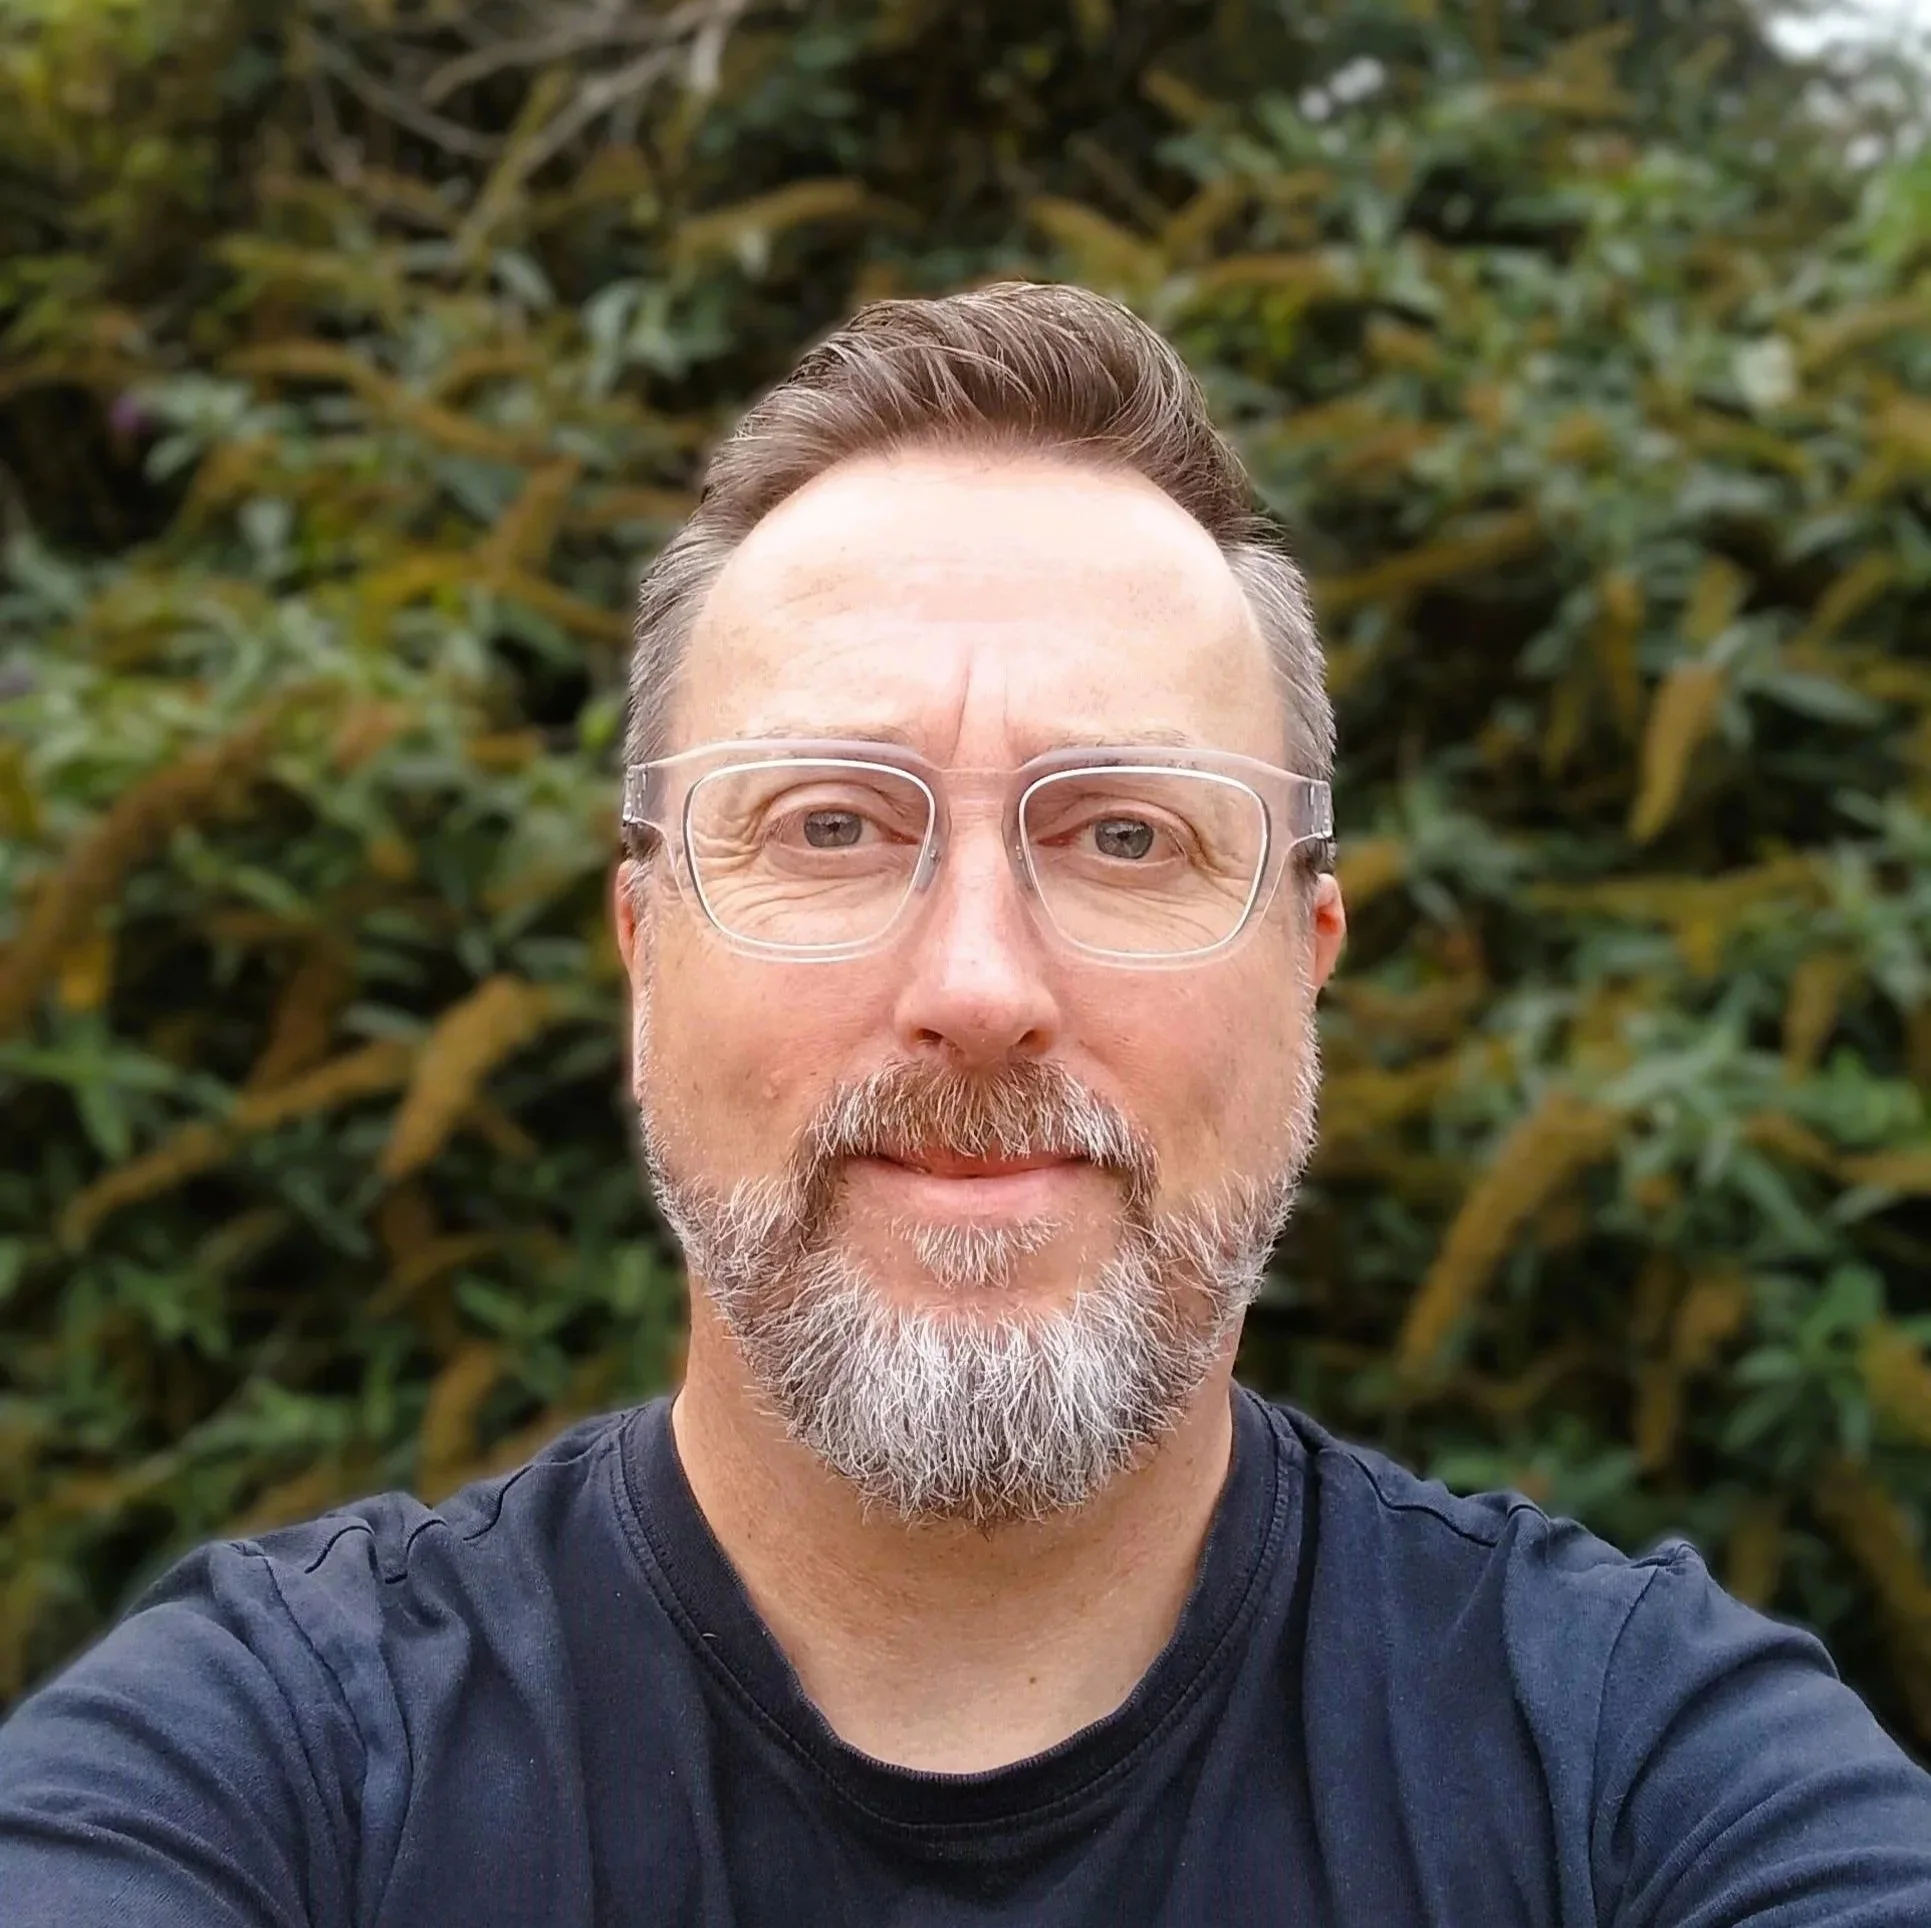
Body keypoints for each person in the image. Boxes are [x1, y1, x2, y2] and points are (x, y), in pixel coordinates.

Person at [3, 281, 1928, 1927]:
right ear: (642, 950)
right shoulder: (266, 1777)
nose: (982, 988)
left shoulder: (1638, 1773)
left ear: (1307, 957)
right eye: (831, 826)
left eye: (1126, 835)